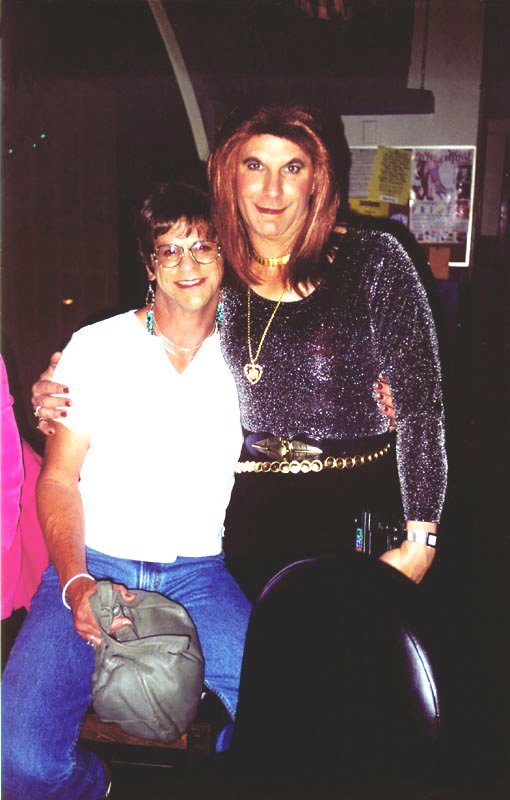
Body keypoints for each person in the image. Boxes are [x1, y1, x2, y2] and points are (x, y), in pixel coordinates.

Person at [32, 102, 445, 602]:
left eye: (292, 168)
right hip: (250, 523)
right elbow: (149, 335)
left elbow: (423, 407)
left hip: (355, 513)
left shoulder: (373, 260)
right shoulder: (215, 270)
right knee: (261, 652)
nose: (272, 190)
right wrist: (61, 384)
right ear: (230, 176)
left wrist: (421, 541)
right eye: (255, 166)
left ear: (317, 180)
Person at [2, 183, 252, 800]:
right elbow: (58, 478)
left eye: (204, 246)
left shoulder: (256, 355)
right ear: (149, 264)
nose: (189, 264)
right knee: (19, 763)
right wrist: (76, 583)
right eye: (170, 250)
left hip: (199, 575)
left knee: (290, 716)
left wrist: (380, 401)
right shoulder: (97, 347)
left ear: (227, 254)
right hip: (92, 561)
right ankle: (99, 788)